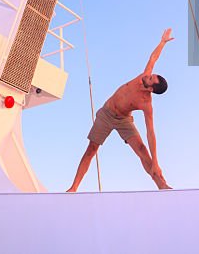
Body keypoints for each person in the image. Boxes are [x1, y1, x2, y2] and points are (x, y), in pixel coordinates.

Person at [67, 28, 174, 192]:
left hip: (124, 120)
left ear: (151, 89)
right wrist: (163, 42)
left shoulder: (146, 104)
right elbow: (153, 58)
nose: (147, 75)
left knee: (142, 150)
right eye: (151, 75)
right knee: (92, 149)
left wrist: (156, 162)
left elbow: (151, 133)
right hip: (107, 114)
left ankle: (162, 186)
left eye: (150, 79)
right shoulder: (143, 76)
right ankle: (73, 188)